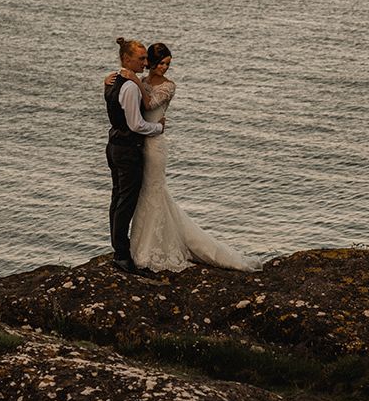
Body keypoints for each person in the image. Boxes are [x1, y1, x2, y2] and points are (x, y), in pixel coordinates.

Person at [107, 42, 262, 273]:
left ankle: (149, 247)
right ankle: (135, 246)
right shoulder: (137, 81)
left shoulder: (167, 86)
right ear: (148, 62)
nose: (165, 68)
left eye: (168, 64)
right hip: (139, 143)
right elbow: (131, 105)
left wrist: (133, 80)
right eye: (160, 63)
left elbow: (148, 103)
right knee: (138, 195)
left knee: (153, 192)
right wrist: (119, 78)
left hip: (154, 146)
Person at [104, 37, 165, 274]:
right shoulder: (129, 86)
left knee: (117, 198)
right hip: (127, 149)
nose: (145, 62)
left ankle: (118, 250)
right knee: (125, 202)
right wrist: (158, 128)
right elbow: (136, 124)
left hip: (114, 146)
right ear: (126, 59)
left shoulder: (112, 81)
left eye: (145, 58)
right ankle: (121, 254)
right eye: (140, 58)